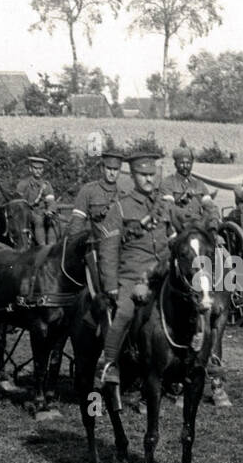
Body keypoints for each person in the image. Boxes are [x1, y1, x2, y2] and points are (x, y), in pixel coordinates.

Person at [93, 152, 178, 388]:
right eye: (143, 175)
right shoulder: (120, 208)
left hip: (164, 272)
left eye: (152, 175)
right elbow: (108, 250)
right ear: (132, 175)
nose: (149, 180)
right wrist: (111, 286)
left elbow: (173, 238)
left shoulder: (164, 205)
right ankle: (109, 363)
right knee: (124, 312)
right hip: (133, 275)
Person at [160, 144, 219, 233]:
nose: (185, 166)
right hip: (178, 227)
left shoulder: (199, 184)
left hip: (200, 225)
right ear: (175, 164)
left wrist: (213, 224)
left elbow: (209, 205)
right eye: (182, 163)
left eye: (188, 163)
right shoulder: (167, 182)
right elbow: (169, 208)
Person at [68, 150, 124, 241]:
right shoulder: (88, 190)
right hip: (96, 244)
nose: (112, 173)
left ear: (119, 171)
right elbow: (77, 223)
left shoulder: (123, 195)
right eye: (109, 168)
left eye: (116, 169)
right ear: (102, 168)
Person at [14, 153, 57, 246]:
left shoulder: (46, 185)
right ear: (30, 169)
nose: (38, 171)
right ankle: (42, 247)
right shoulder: (23, 184)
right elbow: (18, 203)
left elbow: (51, 200)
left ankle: (52, 247)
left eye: (40, 169)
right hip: (28, 213)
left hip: (43, 212)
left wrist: (50, 211)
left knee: (53, 221)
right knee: (38, 220)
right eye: (35, 168)